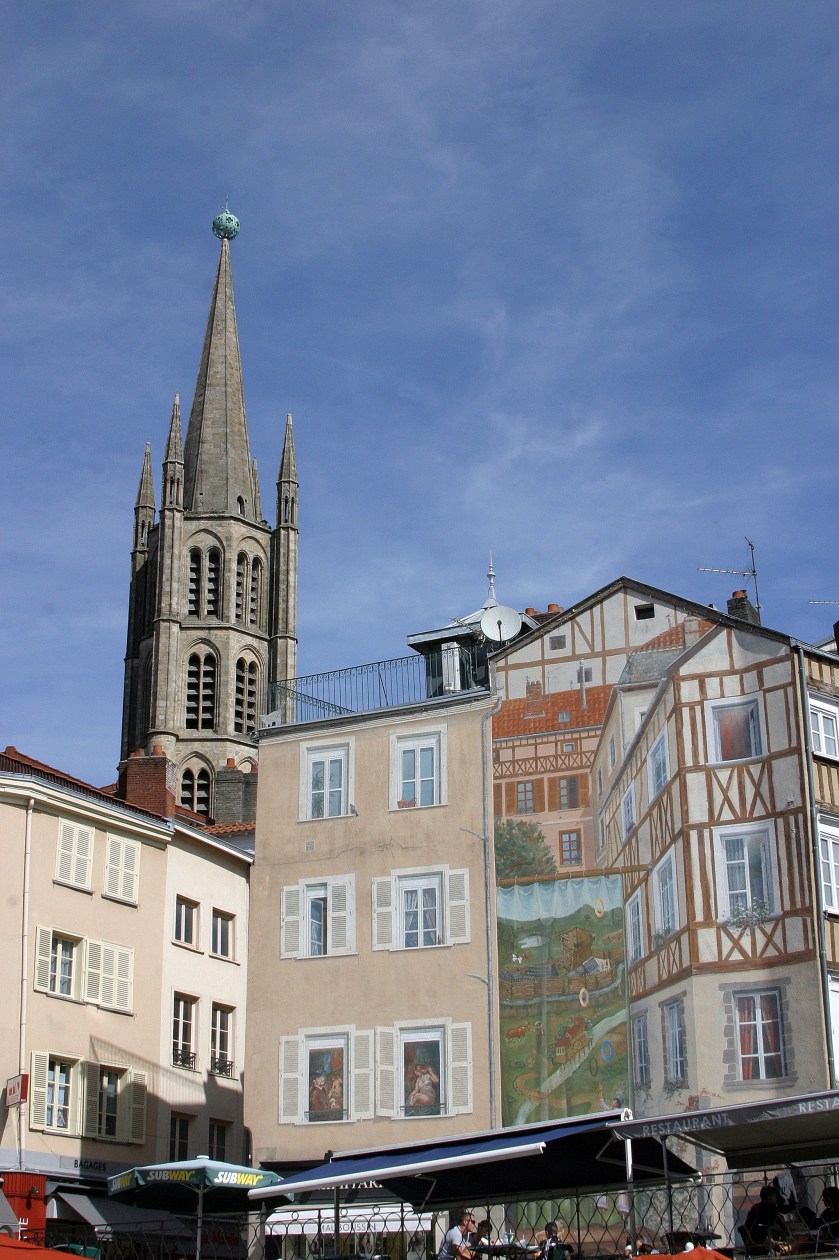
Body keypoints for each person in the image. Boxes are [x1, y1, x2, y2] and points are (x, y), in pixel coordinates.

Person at [741, 1186, 791, 1255]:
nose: (776, 1198)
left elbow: (747, 1226)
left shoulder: (755, 1208)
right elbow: (784, 1226)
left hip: (753, 1244)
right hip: (766, 1245)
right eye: (775, 1196)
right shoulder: (773, 1209)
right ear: (769, 1197)